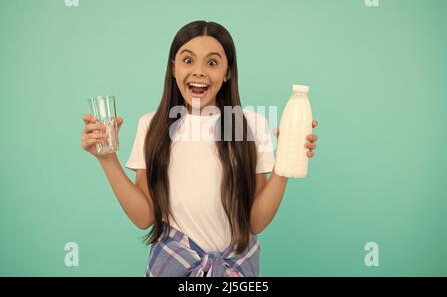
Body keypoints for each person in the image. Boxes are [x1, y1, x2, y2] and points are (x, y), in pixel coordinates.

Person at [80, 20, 319, 277]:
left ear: (228, 72)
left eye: (212, 62)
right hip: (174, 266)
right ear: (173, 68)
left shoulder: (252, 125)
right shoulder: (152, 126)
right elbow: (144, 217)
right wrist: (107, 160)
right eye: (188, 60)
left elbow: (256, 221)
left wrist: (285, 162)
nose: (199, 72)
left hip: (233, 269)